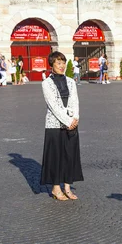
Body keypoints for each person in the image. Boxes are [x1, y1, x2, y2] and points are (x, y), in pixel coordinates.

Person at [40, 51, 83, 201]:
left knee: (70, 156)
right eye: (58, 63)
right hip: (54, 125)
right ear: (51, 65)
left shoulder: (71, 81)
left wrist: (75, 117)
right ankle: (56, 188)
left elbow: (75, 100)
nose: (62, 66)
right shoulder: (46, 83)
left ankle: (67, 187)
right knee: (56, 157)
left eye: (63, 63)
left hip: (71, 123)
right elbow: (53, 105)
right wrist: (67, 120)